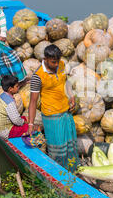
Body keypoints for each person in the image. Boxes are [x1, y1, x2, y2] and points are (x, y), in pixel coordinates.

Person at [26, 44, 78, 172]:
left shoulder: (61, 65)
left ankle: (73, 172)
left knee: (70, 145)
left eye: (57, 61)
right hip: (52, 116)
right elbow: (33, 102)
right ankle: (58, 174)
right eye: (53, 62)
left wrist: (71, 96)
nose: (56, 65)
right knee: (58, 148)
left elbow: (66, 82)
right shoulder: (38, 76)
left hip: (65, 112)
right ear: (45, 59)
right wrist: (31, 124)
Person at [0, 75, 29, 140]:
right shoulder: (10, 102)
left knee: (25, 118)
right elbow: (16, 120)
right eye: (17, 86)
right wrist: (24, 122)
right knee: (31, 127)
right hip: (6, 132)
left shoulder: (2, 95)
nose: (18, 88)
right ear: (10, 89)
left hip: (2, 127)